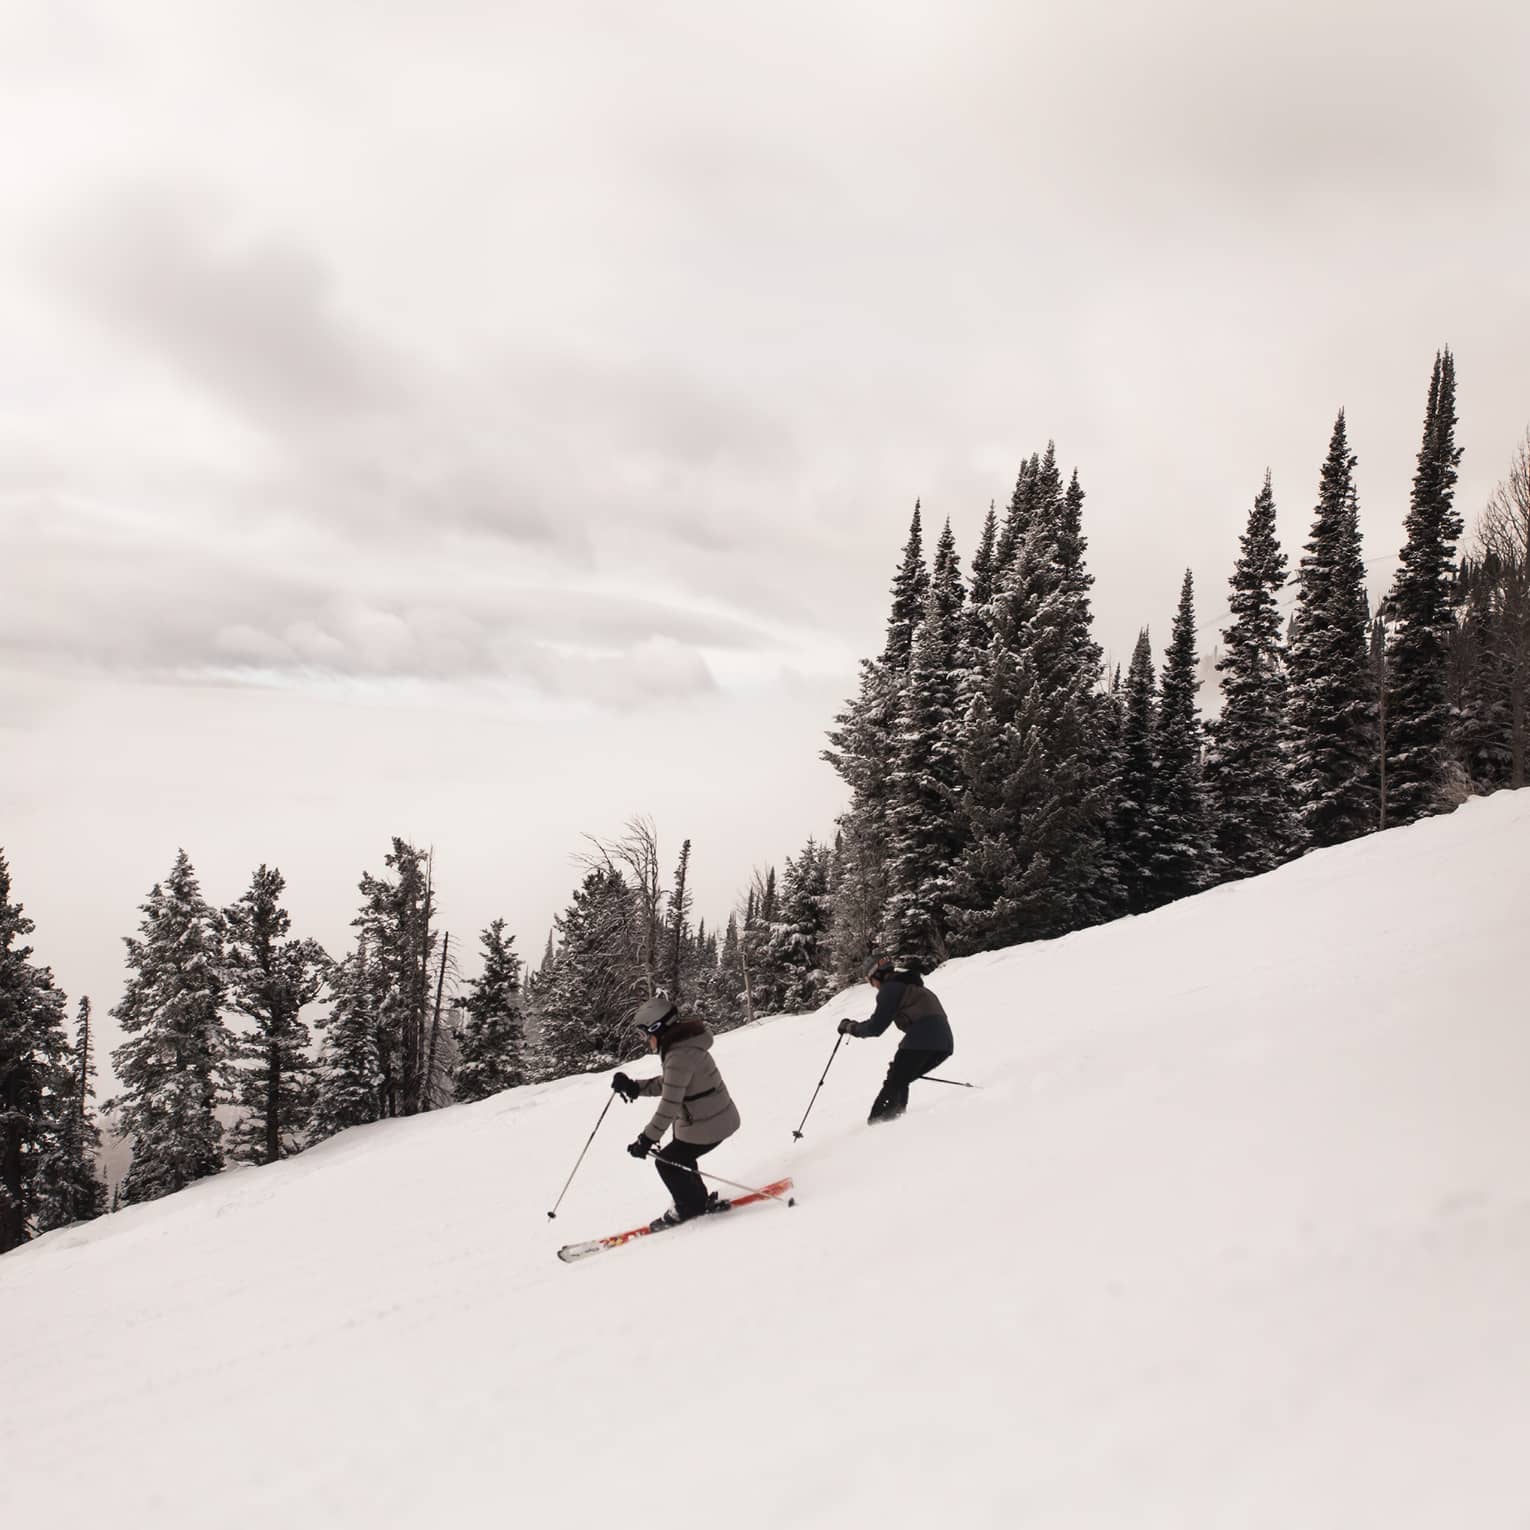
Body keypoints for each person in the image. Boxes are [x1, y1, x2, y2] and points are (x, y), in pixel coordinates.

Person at [612, 994, 741, 1228]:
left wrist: (646, 1139)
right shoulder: (683, 1047)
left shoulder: (679, 1055)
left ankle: (689, 1207)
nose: (644, 1040)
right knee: (679, 1152)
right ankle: (696, 1200)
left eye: (644, 1034)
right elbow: (671, 1084)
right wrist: (634, 1087)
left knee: (667, 1162)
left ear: (657, 1028)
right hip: (712, 1118)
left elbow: (670, 1104)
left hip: (711, 1123)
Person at [838, 955, 953, 1124]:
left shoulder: (891, 989)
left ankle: (878, 1124)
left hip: (923, 1036)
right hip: (945, 1044)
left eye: (870, 981)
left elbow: (876, 1027)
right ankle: (896, 1120)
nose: (873, 986)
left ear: (876, 975)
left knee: (895, 1080)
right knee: (900, 1078)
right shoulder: (912, 986)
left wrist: (851, 1027)